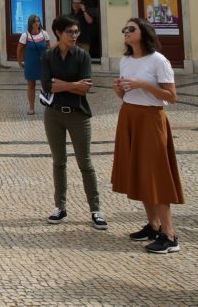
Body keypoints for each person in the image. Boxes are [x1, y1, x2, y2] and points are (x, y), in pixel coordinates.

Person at [112, 18, 184, 254]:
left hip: (151, 119)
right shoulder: (125, 61)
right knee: (141, 172)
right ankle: (153, 226)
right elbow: (127, 95)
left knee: (156, 174)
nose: (126, 32)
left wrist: (143, 84)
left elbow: (171, 96)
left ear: (143, 33)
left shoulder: (158, 61)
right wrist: (119, 92)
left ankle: (169, 234)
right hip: (130, 116)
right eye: (125, 29)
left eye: (131, 29)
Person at [39, 15, 105, 229]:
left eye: (76, 32)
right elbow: (47, 86)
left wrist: (62, 84)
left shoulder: (83, 56)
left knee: (85, 163)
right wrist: (72, 84)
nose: (75, 36)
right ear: (58, 33)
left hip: (78, 114)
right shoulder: (48, 56)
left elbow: (86, 87)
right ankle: (60, 207)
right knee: (59, 162)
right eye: (70, 32)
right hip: (54, 115)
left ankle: (95, 210)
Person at [17, 14, 50, 115]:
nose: (37, 23)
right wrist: (20, 62)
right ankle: (31, 107)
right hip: (30, 64)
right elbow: (19, 50)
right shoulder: (25, 35)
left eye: (38, 21)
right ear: (30, 23)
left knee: (46, 85)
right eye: (34, 21)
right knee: (31, 85)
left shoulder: (44, 34)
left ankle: (47, 107)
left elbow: (49, 49)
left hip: (43, 64)